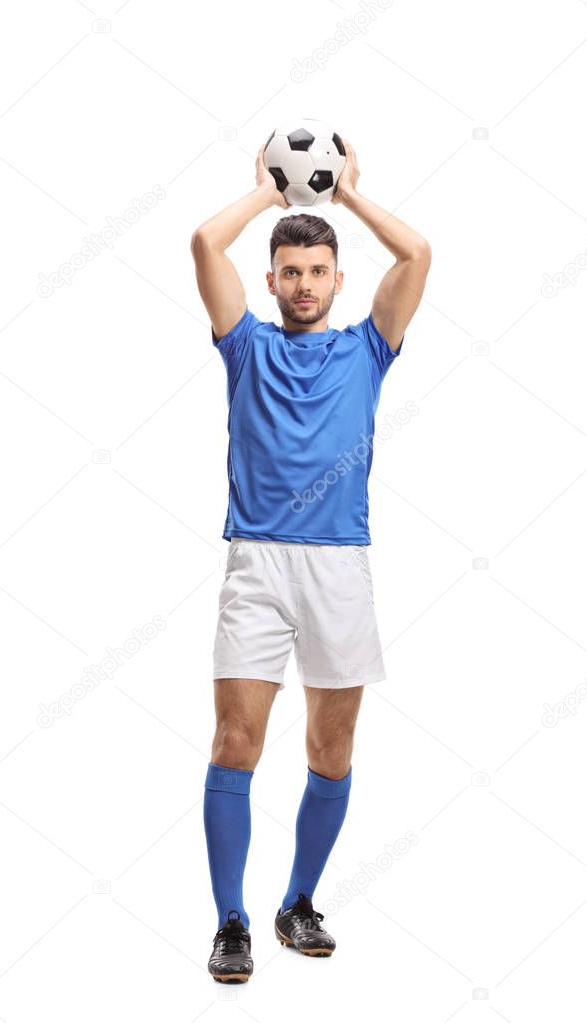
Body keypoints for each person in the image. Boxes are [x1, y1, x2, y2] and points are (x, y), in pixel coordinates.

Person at [190, 139, 431, 983]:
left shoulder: (368, 349)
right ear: (271, 280)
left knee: (330, 752)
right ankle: (231, 919)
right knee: (235, 740)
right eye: (288, 271)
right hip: (256, 561)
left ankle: (298, 902)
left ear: (335, 278)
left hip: (339, 566)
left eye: (316, 271)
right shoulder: (244, 346)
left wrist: (350, 195)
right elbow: (202, 245)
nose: (302, 284)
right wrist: (265, 191)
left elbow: (417, 254)